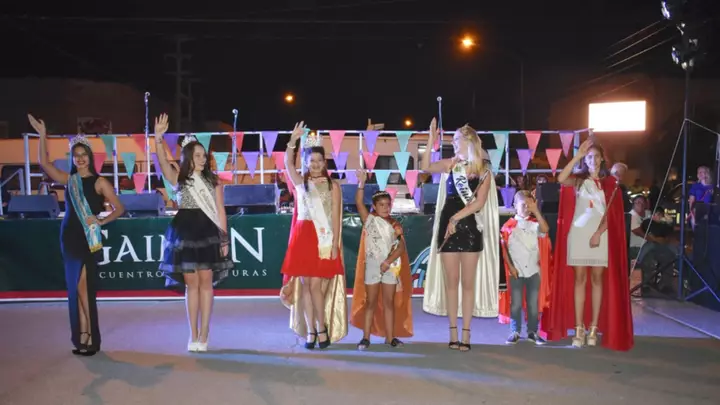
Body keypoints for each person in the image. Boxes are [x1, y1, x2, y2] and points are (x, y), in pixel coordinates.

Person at [29, 114, 125, 356]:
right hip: (69, 237)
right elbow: (44, 163)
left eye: (84, 155)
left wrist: (101, 220)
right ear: (72, 158)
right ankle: (82, 335)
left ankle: (91, 336)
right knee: (75, 288)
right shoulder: (69, 180)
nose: (80, 159)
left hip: (87, 238)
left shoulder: (99, 182)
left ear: (90, 157)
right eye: (76, 155)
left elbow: (120, 208)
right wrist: (42, 135)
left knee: (84, 289)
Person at [542, 139, 633, 351]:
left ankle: (593, 328)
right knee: (579, 280)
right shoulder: (578, 180)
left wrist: (599, 233)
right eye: (589, 156)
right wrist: (577, 155)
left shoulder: (610, 184)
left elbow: (613, 216)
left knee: (597, 280)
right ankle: (579, 328)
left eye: (596, 156)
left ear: (602, 159)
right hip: (579, 234)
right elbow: (560, 178)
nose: (593, 160)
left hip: (600, 236)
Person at [153, 114, 233, 352]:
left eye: (203, 155)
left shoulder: (214, 181)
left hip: (207, 231)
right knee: (191, 284)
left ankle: (205, 332)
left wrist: (224, 239)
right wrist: (158, 139)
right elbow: (163, 163)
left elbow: (220, 210)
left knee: (206, 282)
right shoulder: (179, 177)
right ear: (188, 157)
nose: (201, 159)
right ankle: (193, 333)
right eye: (197, 155)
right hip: (185, 232)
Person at [421, 119, 499, 352]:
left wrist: (456, 219)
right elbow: (426, 167)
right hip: (448, 225)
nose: (453, 143)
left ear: (469, 141)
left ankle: (466, 333)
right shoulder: (451, 164)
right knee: (451, 283)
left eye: (457, 139)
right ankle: (453, 333)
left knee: (467, 283)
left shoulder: (483, 170)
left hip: (469, 226)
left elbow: (479, 203)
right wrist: (430, 139)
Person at [279, 122, 347, 349]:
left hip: (323, 238)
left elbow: (335, 216)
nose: (316, 164)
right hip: (302, 237)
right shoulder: (301, 183)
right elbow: (287, 163)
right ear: (306, 162)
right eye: (312, 160)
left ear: (325, 163)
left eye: (320, 160)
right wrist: (292, 141)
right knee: (306, 285)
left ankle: (322, 327)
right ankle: (311, 330)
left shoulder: (333, 186)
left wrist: (335, 244)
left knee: (316, 286)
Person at [350, 169, 413, 350]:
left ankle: (390, 337)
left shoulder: (395, 224)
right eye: (381, 205)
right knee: (370, 302)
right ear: (374, 206)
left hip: (390, 267)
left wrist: (387, 262)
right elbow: (358, 202)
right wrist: (361, 183)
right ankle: (366, 337)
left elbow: (400, 248)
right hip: (372, 266)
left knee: (388, 303)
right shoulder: (370, 220)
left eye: (388, 204)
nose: (385, 208)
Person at [498, 190, 552, 345]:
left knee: (533, 304)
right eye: (524, 205)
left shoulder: (535, 224)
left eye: (530, 205)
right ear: (515, 206)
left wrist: (537, 211)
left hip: (533, 271)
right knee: (515, 303)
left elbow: (545, 230)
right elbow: (504, 251)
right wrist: (511, 268)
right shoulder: (508, 227)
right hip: (515, 272)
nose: (527, 208)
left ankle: (532, 331)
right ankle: (514, 331)